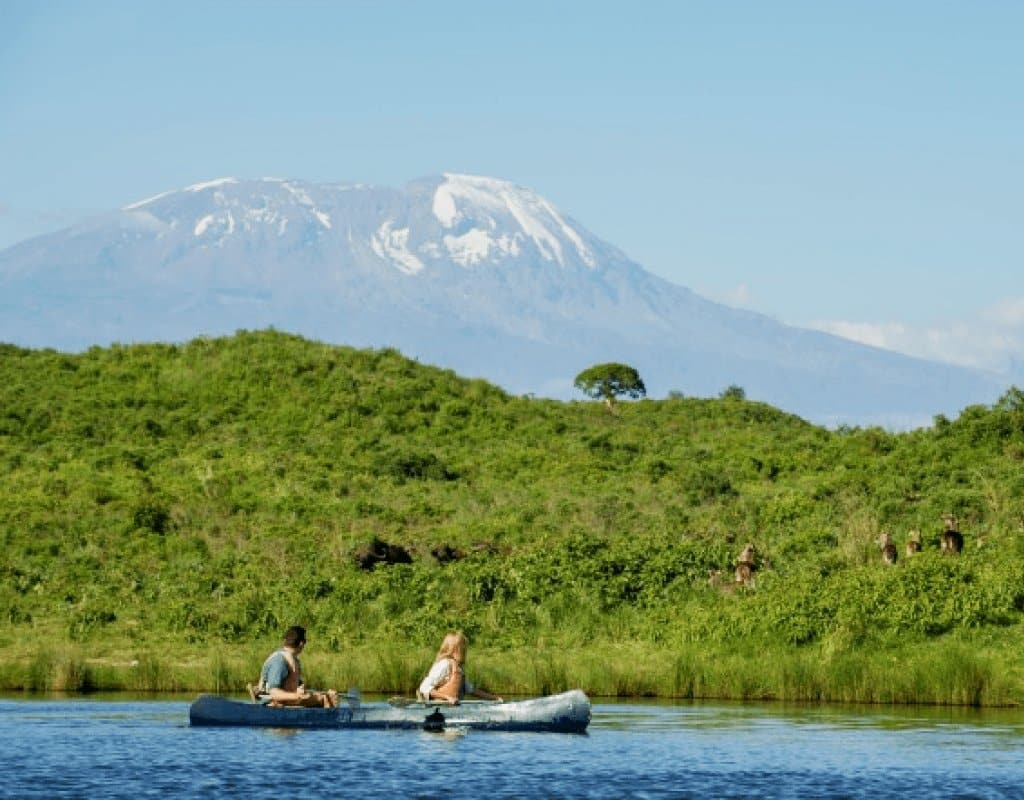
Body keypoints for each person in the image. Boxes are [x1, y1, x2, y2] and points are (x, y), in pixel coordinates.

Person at [252, 625, 338, 708]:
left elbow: (294, 688)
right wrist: (298, 696)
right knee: (324, 699)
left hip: (285, 703)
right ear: (301, 644)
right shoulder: (279, 661)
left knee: (325, 696)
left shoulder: (290, 659)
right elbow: (274, 693)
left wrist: (322, 694)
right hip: (274, 706)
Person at [416, 631, 502, 704]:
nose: (465, 650)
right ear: (456, 649)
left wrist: (494, 698)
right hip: (438, 710)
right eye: (463, 647)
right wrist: (447, 697)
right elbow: (424, 687)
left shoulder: (458, 668)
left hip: (450, 709)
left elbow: (471, 690)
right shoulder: (444, 664)